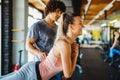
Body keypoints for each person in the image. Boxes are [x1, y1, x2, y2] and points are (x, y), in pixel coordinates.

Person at [0, 12, 84, 80]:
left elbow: (67, 74)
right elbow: (68, 74)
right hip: (32, 72)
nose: (83, 25)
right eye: (80, 23)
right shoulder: (64, 44)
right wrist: (74, 56)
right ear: (71, 26)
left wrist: (75, 55)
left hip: (37, 74)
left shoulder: (68, 44)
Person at [26, 0, 66, 80]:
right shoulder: (37, 26)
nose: (59, 14)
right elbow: (28, 45)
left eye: (60, 12)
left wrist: (64, 70)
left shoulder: (58, 28)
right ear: (50, 10)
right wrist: (38, 53)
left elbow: (61, 48)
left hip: (56, 66)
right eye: (57, 11)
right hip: (43, 66)